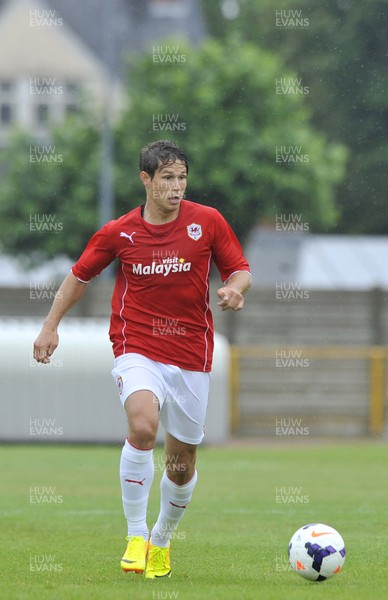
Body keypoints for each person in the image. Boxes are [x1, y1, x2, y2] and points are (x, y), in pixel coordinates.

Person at [33, 140, 251, 579]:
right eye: (167, 178)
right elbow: (78, 277)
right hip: (138, 347)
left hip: (192, 353)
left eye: (182, 177)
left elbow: (239, 268)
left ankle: (161, 540)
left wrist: (234, 290)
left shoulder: (207, 222)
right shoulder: (119, 232)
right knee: (142, 426)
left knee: (182, 461)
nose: (176, 187)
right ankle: (135, 534)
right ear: (146, 180)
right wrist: (49, 325)